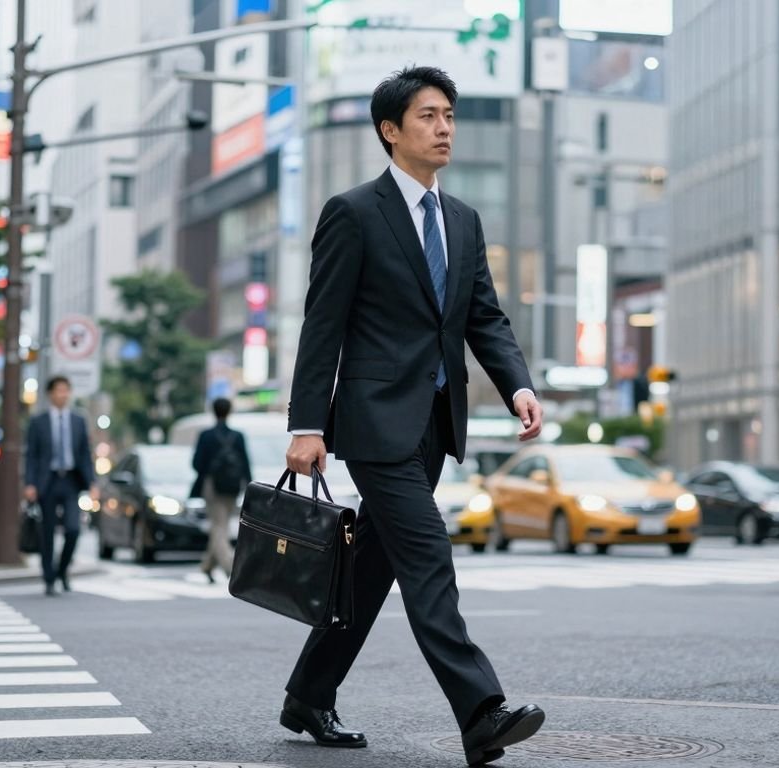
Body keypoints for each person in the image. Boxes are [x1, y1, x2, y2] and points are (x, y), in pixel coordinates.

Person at [281, 67, 546, 767]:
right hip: (372, 421)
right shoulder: (354, 212)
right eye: (428, 116)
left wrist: (516, 383)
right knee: (428, 556)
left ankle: (309, 692)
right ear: (390, 131)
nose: (445, 127)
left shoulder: (462, 219)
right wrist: (306, 424)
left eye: (449, 115)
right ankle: (481, 711)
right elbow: (322, 325)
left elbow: (482, 315)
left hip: (434, 421)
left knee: (372, 568)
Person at [25, 375, 95, 596]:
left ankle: (62, 570)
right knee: (47, 531)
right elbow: (32, 456)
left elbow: (84, 454)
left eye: (66, 390)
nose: (63, 394)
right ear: (50, 394)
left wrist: (92, 482)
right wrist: (30, 483)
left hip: (72, 480)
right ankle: (48, 578)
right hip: (48, 480)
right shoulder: (38, 421)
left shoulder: (78, 420)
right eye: (59, 390)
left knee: (73, 529)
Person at [190, 397, 251, 584]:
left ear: (213, 411)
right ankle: (208, 566)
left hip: (212, 485)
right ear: (229, 411)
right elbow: (246, 464)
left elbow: (196, 463)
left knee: (218, 525)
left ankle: (230, 568)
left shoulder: (206, 435)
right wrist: (248, 485)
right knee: (222, 524)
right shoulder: (238, 436)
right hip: (233, 486)